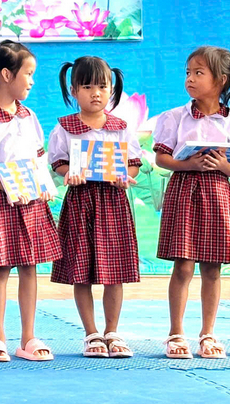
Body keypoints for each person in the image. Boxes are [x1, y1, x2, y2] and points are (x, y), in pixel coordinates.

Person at [152, 46, 230, 359]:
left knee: (212, 268)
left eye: (198, 73)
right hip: (184, 191)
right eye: (188, 73)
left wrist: (223, 165)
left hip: (218, 196)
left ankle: (208, 333)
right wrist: (188, 164)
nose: (190, 79)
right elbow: (161, 158)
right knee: (183, 266)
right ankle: (175, 333)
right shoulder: (174, 117)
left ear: (220, 80)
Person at [0, 40, 61, 363]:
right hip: (1, 200)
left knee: (29, 265)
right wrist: (6, 186)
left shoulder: (29, 116)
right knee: (1, 267)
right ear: (6, 75)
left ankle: (28, 337)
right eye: (28, 74)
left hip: (31, 199)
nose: (32, 81)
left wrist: (44, 184)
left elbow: (38, 156)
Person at [48, 56, 142, 358]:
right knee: (82, 270)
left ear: (111, 89)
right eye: (87, 86)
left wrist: (125, 176)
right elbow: (58, 163)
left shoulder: (121, 128)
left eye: (102, 86)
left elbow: (133, 164)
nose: (95, 93)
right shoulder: (65, 127)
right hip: (80, 201)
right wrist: (69, 173)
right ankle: (91, 334)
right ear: (74, 90)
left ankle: (112, 331)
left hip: (113, 202)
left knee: (115, 271)